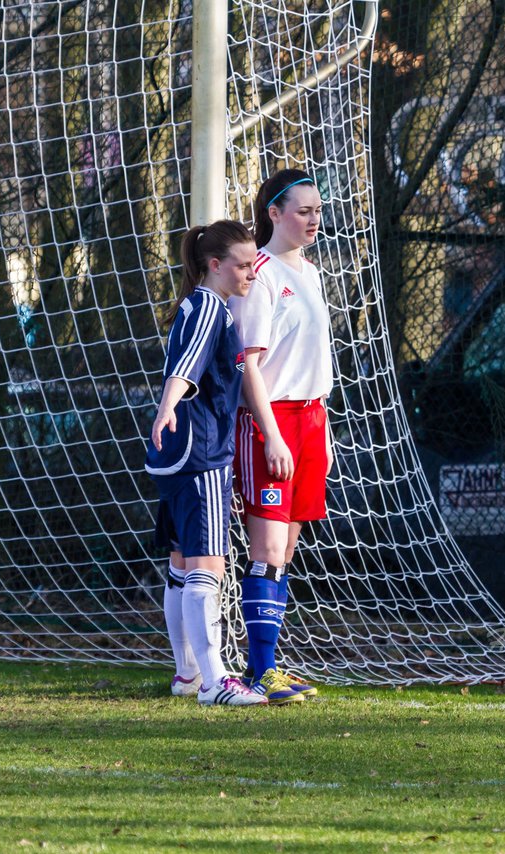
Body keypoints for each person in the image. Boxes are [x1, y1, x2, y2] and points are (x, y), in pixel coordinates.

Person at [146, 219, 267, 707]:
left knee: (180, 564)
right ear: (214, 266)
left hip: (178, 457)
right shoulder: (210, 310)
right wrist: (168, 405)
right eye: (241, 265)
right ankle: (216, 681)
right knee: (207, 568)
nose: (250, 274)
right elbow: (187, 364)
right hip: (200, 455)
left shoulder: (200, 305)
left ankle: (187, 675)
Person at [229, 169, 333, 705]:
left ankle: (265, 666)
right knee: (267, 548)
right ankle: (260, 670)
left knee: (286, 550)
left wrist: (326, 430)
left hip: (311, 420)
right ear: (274, 213)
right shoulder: (262, 275)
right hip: (274, 422)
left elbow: (313, 358)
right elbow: (250, 366)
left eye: (318, 209)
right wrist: (271, 435)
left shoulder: (311, 273)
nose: (314, 220)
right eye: (302, 211)